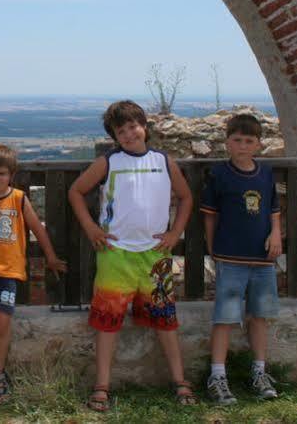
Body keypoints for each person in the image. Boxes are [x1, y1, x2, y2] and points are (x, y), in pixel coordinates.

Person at [67, 99, 197, 412]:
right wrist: (91, 229)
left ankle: (180, 381)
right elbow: (76, 191)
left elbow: (185, 196)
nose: (128, 134)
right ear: (114, 136)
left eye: (132, 126)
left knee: (166, 320)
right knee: (107, 322)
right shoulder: (109, 162)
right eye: (120, 130)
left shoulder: (164, 161)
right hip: (116, 253)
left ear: (144, 126)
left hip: (155, 254)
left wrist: (175, 233)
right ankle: (101, 386)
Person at [0, 143, 68, 403]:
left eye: (1, 173)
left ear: (11, 174)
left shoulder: (19, 199)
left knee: (3, 322)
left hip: (9, 271)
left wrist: (51, 258)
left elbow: (38, 229)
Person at [201, 112, 282, 405]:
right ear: (228, 143)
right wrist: (213, 248)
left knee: (259, 316)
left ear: (258, 145)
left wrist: (276, 234)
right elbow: (210, 215)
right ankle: (218, 375)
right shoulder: (220, 174)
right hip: (230, 256)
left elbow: (273, 208)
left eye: (249, 140)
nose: (243, 146)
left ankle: (259, 371)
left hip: (262, 258)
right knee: (225, 317)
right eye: (238, 140)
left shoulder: (265, 173)